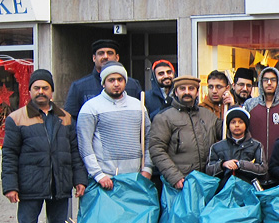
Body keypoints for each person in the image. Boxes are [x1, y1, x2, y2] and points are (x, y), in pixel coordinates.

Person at [2, 69, 88, 223]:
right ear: (29, 91)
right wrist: (10, 186)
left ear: (52, 91)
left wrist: (79, 180)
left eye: (45, 88)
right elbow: (9, 154)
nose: (41, 92)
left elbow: (74, 152)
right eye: (36, 88)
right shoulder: (17, 118)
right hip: (30, 185)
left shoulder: (65, 117)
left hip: (60, 183)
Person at [76, 61, 153, 189]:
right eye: (111, 80)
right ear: (103, 83)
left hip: (135, 179)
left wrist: (147, 169)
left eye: (120, 79)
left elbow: (149, 138)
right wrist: (98, 174)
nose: (116, 84)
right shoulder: (90, 108)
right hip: (105, 180)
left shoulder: (138, 106)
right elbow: (84, 144)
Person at [148, 75, 220, 189]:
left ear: (197, 92)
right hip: (181, 183)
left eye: (191, 88)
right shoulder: (164, 117)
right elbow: (156, 149)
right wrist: (174, 176)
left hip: (206, 182)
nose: (187, 92)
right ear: (176, 92)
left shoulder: (208, 116)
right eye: (182, 89)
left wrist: (231, 105)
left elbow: (228, 133)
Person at [64, 39, 143, 122]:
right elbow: (70, 119)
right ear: (94, 58)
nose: (105, 56)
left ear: (117, 57)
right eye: (101, 53)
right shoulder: (79, 86)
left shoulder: (133, 85)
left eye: (110, 53)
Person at [206, 107, 268, 185]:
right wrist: (222, 165)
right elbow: (208, 170)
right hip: (223, 191)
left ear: (246, 125)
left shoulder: (256, 146)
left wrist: (241, 165)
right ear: (228, 125)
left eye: (240, 122)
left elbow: (263, 170)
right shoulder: (216, 147)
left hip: (248, 190)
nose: (237, 125)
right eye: (233, 122)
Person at [243, 66, 279, 157]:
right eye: (266, 80)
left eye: (273, 80)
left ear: (278, 82)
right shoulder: (250, 104)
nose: (269, 83)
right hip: (254, 160)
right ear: (261, 83)